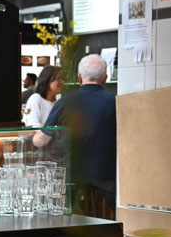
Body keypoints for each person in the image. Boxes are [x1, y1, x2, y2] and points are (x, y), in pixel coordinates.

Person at [33, 54, 116, 219]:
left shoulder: (66, 102)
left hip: (72, 180)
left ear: (79, 77)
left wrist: (33, 136)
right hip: (108, 182)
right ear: (105, 78)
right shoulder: (116, 102)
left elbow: (41, 140)